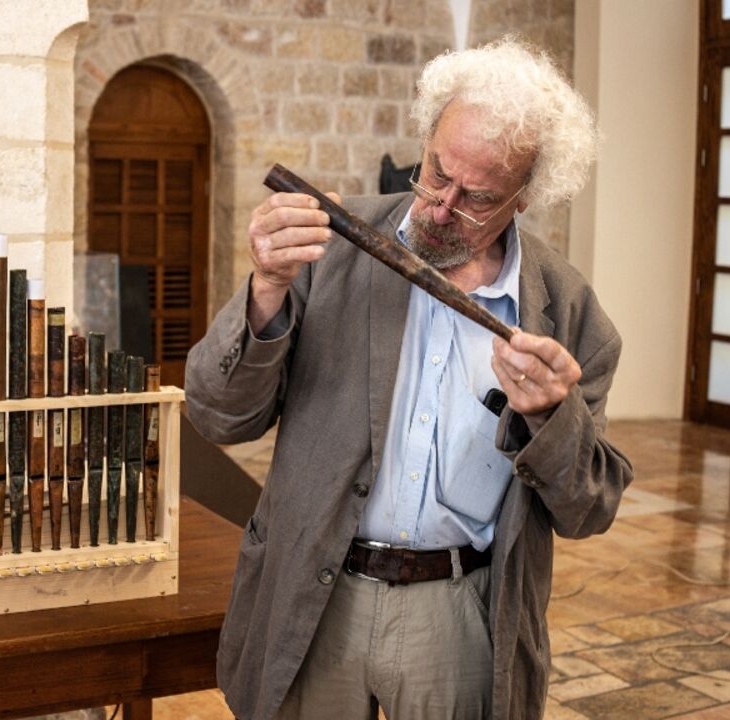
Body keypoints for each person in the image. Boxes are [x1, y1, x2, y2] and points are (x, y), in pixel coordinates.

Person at [185, 37, 632, 720]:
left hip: (454, 615)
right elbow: (219, 417)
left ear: (526, 195)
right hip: (314, 593)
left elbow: (590, 508)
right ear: (425, 138)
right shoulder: (331, 246)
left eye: (477, 197)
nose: (440, 207)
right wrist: (267, 290)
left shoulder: (569, 314)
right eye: (434, 172)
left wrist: (551, 415)